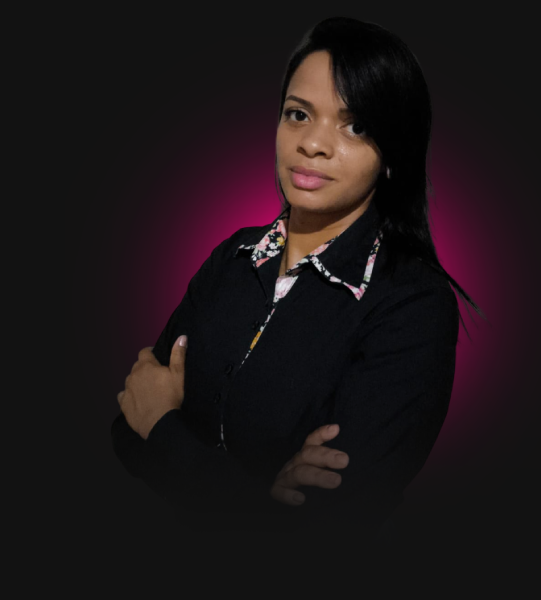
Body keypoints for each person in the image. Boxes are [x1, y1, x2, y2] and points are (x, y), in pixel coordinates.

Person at [112, 16, 482, 543]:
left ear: (392, 153)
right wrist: (262, 494)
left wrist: (164, 429)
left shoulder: (412, 305)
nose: (312, 143)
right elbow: (126, 428)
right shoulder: (234, 256)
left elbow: (321, 533)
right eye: (298, 114)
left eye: (355, 126)